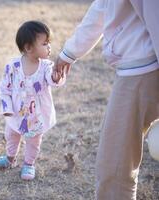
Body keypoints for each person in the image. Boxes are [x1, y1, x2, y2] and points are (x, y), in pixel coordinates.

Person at [55, 0, 159, 199]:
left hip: (142, 71)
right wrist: (70, 52)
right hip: (136, 68)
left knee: (115, 163)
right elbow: (101, 8)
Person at [0, 20, 65, 180]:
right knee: (11, 135)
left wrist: (56, 75)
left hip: (36, 116)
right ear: (28, 47)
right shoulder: (13, 66)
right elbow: (4, 88)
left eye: (49, 43)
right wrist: (7, 108)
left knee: (33, 140)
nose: (49, 47)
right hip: (16, 112)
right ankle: (10, 159)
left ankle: (29, 164)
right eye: (45, 43)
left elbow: (53, 81)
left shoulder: (47, 66)